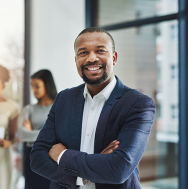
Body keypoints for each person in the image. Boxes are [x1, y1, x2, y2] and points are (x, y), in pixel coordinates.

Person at [30, 27, 156, 189]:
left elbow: (119, 168)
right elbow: (37, 157)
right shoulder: (64, 99)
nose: (91, 58)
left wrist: (62, 155)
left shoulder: (138, 103)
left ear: (114, 57)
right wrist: (90, 170)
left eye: (100, 51)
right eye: (83, 53)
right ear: (76, 60)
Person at [18, 69, 57, 189]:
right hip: (31, 155)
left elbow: (58, 134)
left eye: (37, 86)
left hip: (52, 157)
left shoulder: (59, 107)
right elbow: (22, 135)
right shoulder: (28, 109)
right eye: (32, 86)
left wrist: (32, 132)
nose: (33, 90)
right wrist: (48, 134)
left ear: (47, 85)